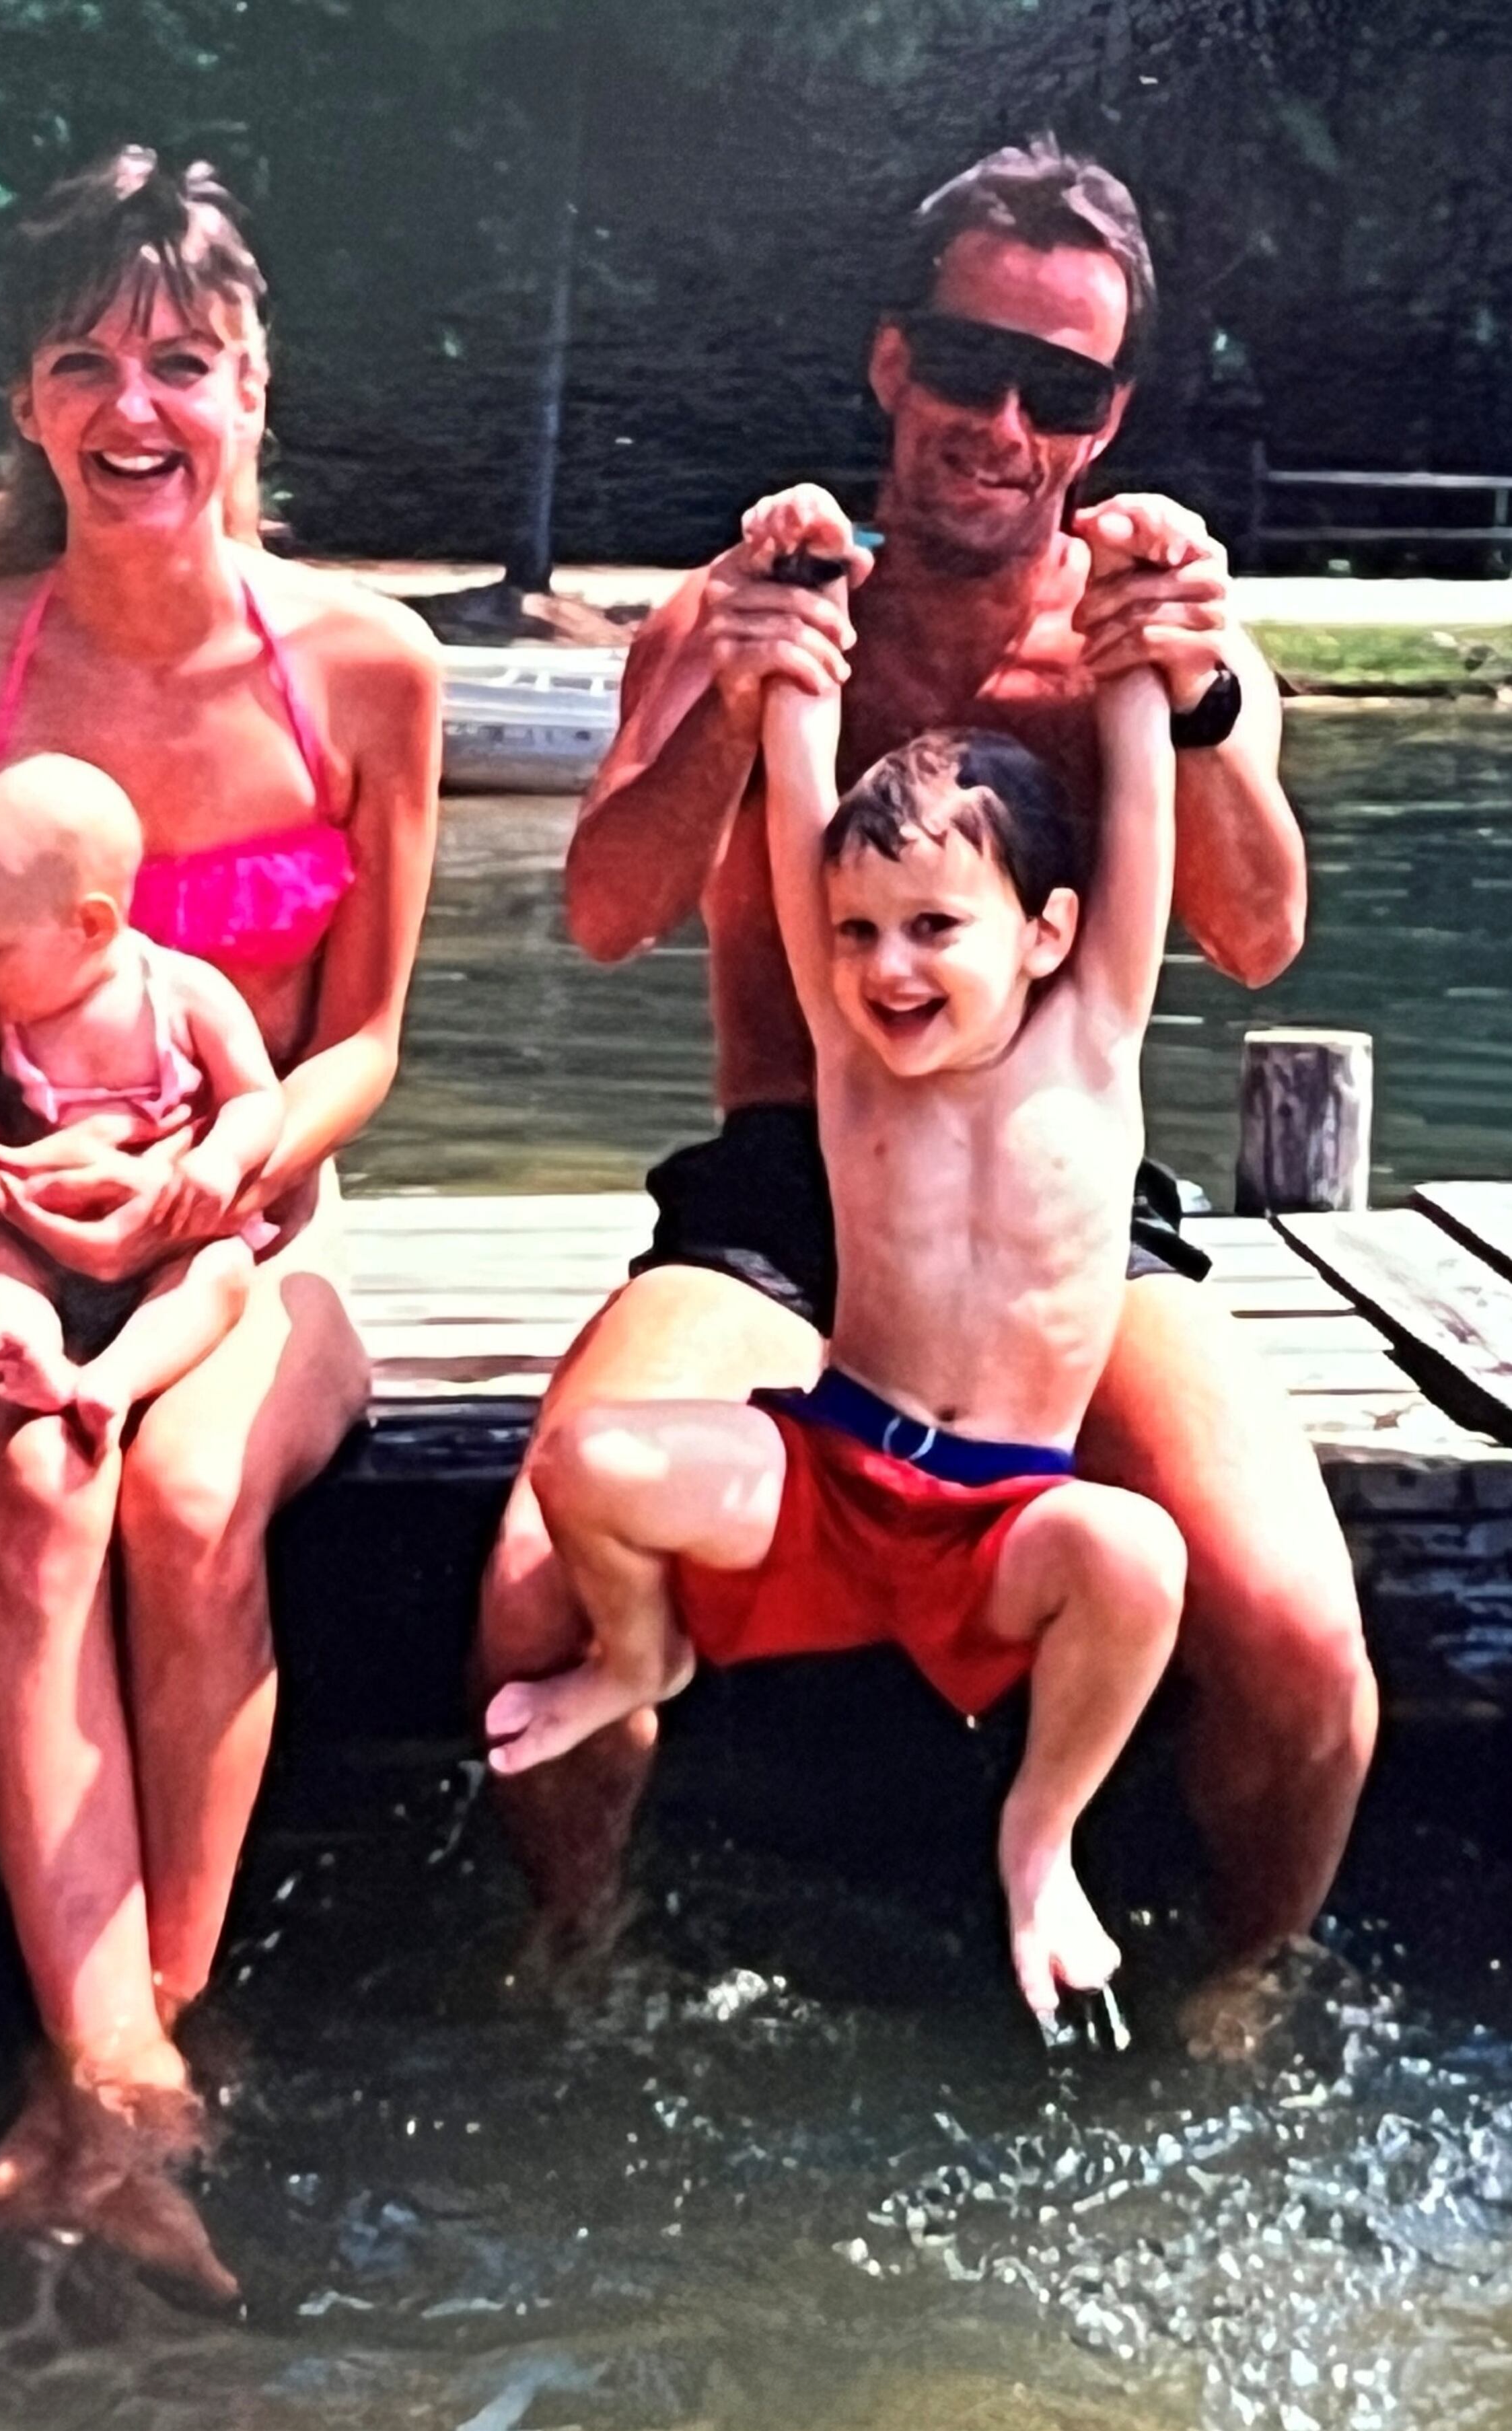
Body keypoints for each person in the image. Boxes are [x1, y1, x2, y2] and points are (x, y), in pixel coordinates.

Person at [473, 137, 1377, 2049]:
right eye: (968, 365)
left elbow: (1261, 934)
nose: (1001, 424)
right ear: (893, 360)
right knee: (535, 1584)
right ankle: (581, 1972)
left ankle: (1235, 2004)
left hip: (1061, 1222)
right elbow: (610, 914)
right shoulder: (748, 610)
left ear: (1107, 417)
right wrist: (733, 708)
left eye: (1058, 390)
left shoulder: (1150, 638)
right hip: (784, 1199)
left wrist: (1209, 708)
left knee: (1302, 1637)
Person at [0, 147, 440, 2296]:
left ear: (252, 384)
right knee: (42, 1484)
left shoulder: (367, 668)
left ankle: (118, 2073)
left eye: (181, 357)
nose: (134, 403)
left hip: (248, 1234)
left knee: (189, 1499)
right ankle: (117, 2075)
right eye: (82, 360)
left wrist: (217, 1174)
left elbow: (365, 1042)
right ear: (25, 402)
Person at [489, 514, 1188, 2023]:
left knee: (1140, 1555)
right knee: (584, 1460)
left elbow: (1142, 800)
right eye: (858, 931)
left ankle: (1040, 1833)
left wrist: (1141, 609)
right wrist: (803, 590)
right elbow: (800, 784)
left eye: (935, 928)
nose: (887, 967)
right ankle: (638, 1657)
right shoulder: (851, 1058)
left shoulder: (1094, 1034)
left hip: (1007, 1516)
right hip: (833, 1475)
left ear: (1049, 933)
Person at [0, 752, 283, 1457]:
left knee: (220, 1274)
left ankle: (115, 1378)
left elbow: (257, 1095)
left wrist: (219, 1161)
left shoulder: (185, 994)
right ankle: (25, 1352)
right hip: (37, 1222)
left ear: (91, 925)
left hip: (170, 1227)